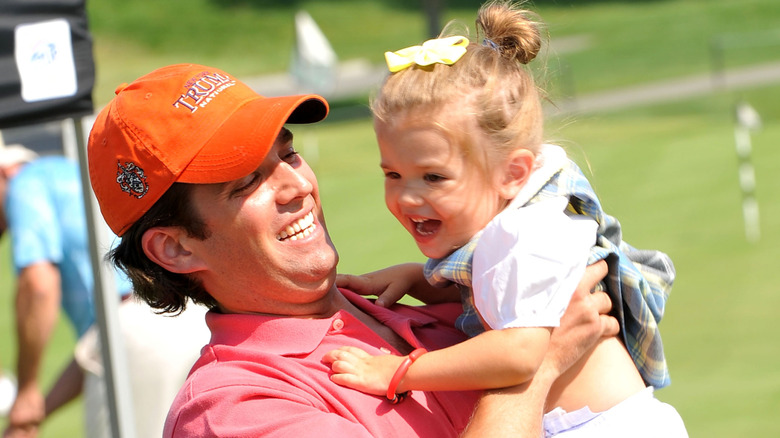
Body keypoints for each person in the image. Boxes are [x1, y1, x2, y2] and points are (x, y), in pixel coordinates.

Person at [85, 62, 620, 437]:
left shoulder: (409, 301)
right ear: (175, 249)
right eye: (246, 182)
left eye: (288, 155)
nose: (298, 186)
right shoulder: (235, 409)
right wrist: (538, 362)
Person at [325, 1, 688, 437]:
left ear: (512, 174)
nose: (407, 195)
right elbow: (500, 300)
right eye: (393, 174)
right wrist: (413, 278)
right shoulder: (512, 223)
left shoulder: (526, 233)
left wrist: (397, 373)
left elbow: (518, 352)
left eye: (433, 176)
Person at [0, 143, 208, 438]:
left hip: (139, 335)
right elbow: (98, 349)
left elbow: (39, 285)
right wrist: (32, 416)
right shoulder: (74, 177)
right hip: (188, 320)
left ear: (5, 172)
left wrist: (27, 390)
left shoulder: (26, 182)